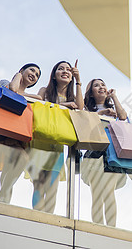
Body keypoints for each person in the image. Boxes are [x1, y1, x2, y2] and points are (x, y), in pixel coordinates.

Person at [25, 60, 83, 213]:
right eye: (60, 69)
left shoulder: (73, 96)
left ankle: (48, 221)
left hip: (57, 147)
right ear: (54, 75)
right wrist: (65, 106)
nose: (65, 71)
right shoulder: (45, 91)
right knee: (38, 186)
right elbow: (37, 107)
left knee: (52, 189)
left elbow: (81, 109)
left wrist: (78, 81)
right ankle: (37, 219)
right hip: (39, 143)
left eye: (68, 70)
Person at [0, 63, 42, 203]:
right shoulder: (5, 82)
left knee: (12, 167)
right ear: (22, 70)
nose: (34, 75)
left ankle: (3, 198)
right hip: (1, 133)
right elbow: (12, 89)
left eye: (37, 75)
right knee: (21, 160)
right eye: (31, 70)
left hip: (17, 135)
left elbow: (39, 99)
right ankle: (4, 195)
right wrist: (18, 75)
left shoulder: (32, 96)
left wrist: (23, 94)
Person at [81, 78, 132, 227]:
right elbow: (84, 125)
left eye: (103, 84)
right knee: (97, 194)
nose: (101, 87)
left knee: (109, 193)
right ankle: (98, 229)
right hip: (94, 155)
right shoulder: (87, 110)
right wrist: (100, 114)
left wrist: (114, 97)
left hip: (112, 155)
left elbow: (123, 117)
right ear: (90, 93)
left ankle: (111, 229)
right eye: (96, 85)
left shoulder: (114, 110)